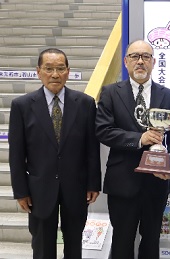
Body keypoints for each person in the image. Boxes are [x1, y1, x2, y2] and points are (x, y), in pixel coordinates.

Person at [8, 48, 102, 259]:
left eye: (60, 69)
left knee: (74, 244)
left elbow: (91, 148)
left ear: (68, 71)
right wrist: (20, 190)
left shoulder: (85, 104)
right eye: (49, 69)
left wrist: (93, 183)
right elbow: (16, 154)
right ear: (38, 71)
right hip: (39, 190)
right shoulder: (22, 106)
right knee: (42, 247)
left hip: (76, 188)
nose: (55, 74)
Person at [95, 39, 170, 259]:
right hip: (122, 183)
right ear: (126, 61)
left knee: (151, 241)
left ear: (153, 62)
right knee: (122, 242)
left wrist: (169, 165)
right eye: (134, 56)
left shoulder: (169, 95)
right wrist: (139, 139)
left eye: (145, 57)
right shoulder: (110, 92)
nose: (140, 61)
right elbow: (103, 131)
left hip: (156, 183)